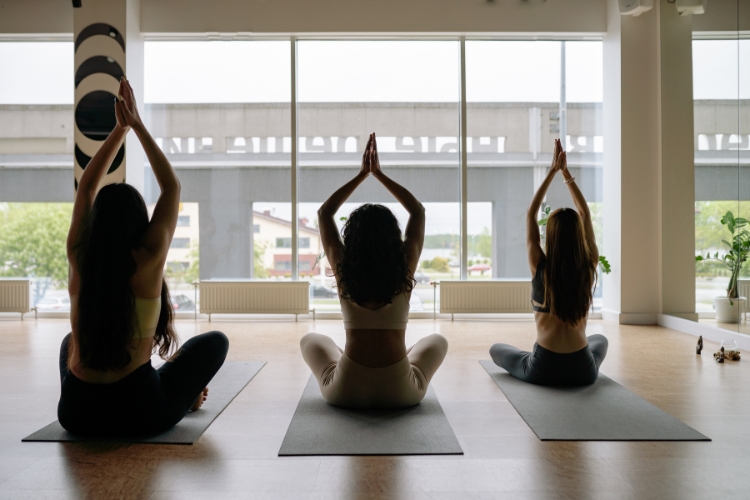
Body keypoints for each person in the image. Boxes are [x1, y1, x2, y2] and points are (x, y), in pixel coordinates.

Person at [58, 77, 228, 436]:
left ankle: (177, 394)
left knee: (69, 343)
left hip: (76, 415)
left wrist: (118, 132)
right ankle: (188, 396)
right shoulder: (149, 257)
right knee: (214, 343)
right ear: (139, 222)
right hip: (140, 412)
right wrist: (135, 124)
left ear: (96, 223)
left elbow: (87, 186)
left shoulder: (79, 255)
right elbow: (171, 186)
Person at [300, 133, 448, 409]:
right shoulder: (404, 270)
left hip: (344, 392)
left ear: (351, 239)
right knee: (436, 340)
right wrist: (379, 174)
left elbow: (324, 213)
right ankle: (395, 359)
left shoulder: (344, 272)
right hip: (402, 393)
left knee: (312, 339)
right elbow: (417, 211)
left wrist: (362, 175)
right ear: (393, 238)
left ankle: (357, 361)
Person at [489, 139, 607, 386]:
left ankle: (530, 359)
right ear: (578, 236)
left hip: (543, 368)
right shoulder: (589, 265)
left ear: (550, 236)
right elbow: (584, 214)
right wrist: (567, 175)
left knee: (496, 349)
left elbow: (531, 214)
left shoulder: (538, 265)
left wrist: (552, 171)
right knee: (599, 341)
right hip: (583, 371)